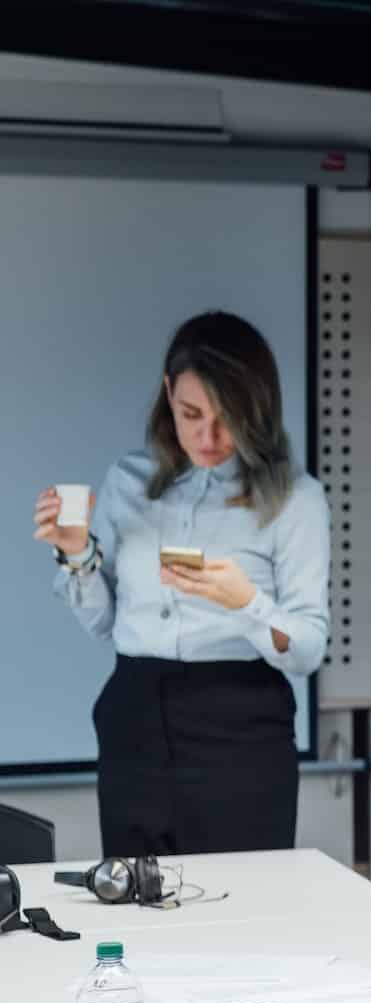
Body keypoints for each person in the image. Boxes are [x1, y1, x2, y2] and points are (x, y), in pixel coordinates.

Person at [32, 311, 330, 856]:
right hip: (135, 714)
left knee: (242, 912)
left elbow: (309, 648)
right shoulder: (128, 482)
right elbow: (103, 622)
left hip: (240, 724)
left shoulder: (296, 498)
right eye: (191, 413)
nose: (208, 436)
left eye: (227, 418)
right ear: (168, 394)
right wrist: (77, 553)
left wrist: (247, 603)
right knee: (135, 902)